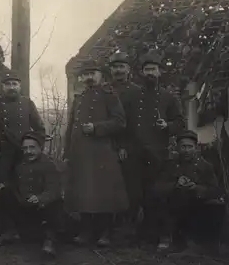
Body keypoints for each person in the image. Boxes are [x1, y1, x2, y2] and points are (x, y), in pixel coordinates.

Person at [64, 59, 128, 247]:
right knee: (84, 191)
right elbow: (71, 126)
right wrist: (68, 151)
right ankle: (86, 231)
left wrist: (97, 127)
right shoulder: (79, 97)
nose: (89, 77)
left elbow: (120, 122)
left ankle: (105, 233)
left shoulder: (109, 95)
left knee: (104, 192)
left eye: (93, 73)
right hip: (81, 151)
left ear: (100, 75)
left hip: (102, 151)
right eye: (86, 74)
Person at [132, 51, 185, 243]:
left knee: (158, 193)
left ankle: (162, 233)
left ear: (160, 72)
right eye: (146, 70)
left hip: (158, 153)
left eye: (153, 69)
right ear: (141, 73)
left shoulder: (168, 98)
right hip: (136, 153)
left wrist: (167, 126)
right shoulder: (133, 96)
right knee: (138, 194)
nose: (150, 73)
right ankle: (141, 232)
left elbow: (180, 123)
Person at [0, 69, 45, 244]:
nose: (11, 87)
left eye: (14, 84)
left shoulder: (27, 103)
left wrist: (35, 150)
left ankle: (27, 228)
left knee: (26, 188)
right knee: (4, 189)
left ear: (20, 86)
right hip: (3, 153)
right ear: (2, 87)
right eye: (7, 84)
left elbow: (40, 129)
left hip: (24, 153)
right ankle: (7, 230)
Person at [151, 130, 225, 251]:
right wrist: (175, 185)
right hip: (174, 208)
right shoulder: (169, 165)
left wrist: (196, 188)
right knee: (160, 201)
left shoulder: (205, 166)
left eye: (190, 147)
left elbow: (215, 190)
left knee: (216, 206)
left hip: (197, 206)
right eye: (183, 146)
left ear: (196, 148)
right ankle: (166, 237)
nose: (186, 150)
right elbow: (157, 187)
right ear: (177, 148)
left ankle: (209, 241)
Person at [0, 131, 62, 256]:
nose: (28, 151)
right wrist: (5, 185)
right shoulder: (21, 165)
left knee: (54, 204)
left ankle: (49, 240)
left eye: (32, 148)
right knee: (4, 192)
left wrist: (40, 198)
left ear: (40, 148)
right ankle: (10, 231)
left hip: (43, 210)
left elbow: (54, 190)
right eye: (25, 148)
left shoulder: (49, 165)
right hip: (25, 208)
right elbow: (16, 184)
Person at [107, 52, 146, 230]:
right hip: (106, 145)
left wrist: (124, 146)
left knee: (130, 185)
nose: (118, 70)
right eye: (115, 67)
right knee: (108, 184)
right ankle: (108, 225)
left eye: (122, 66)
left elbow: (136, 123)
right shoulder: (105, 90)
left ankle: (128, 225)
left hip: (128, 146)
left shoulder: (137, 92)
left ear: (128, 69)